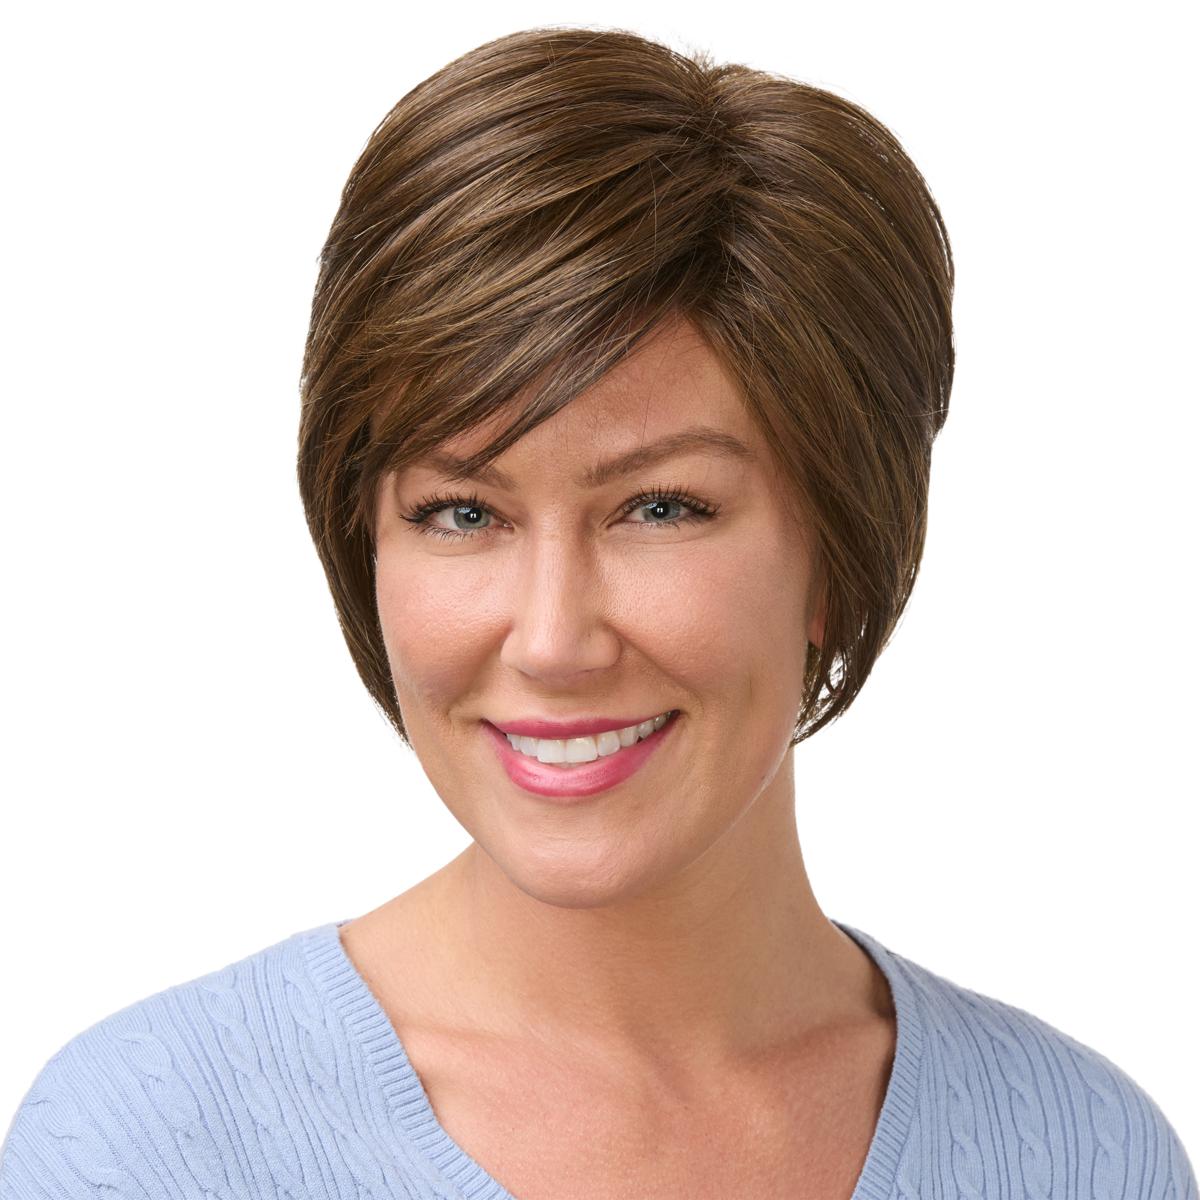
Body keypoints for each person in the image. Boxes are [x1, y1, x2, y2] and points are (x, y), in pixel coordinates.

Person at [1, 24, 1194, 1200]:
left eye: (660, 508)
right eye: (461, 513)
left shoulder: (1083, 1157)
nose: (553, 640)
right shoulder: (149, 1150)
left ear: (840, 548)